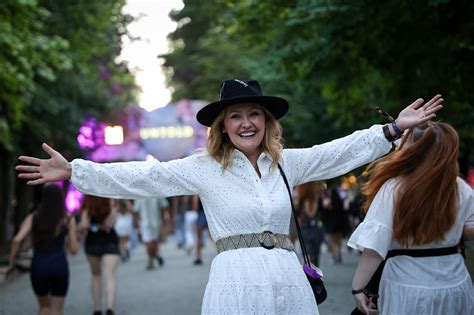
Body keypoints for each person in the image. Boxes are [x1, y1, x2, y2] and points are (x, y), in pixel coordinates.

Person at [16, 79, 443, 314]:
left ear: (266, 120)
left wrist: (391, 130)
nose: (245, 123)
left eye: (254, 114)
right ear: (222, 125)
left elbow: (336, 153)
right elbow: (144, 177)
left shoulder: (287, 163)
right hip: (235, 283)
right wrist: (75, 170)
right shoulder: (202, 167)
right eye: (235, 116)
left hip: (288, 281)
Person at [348, 122, 474, 314]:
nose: (397, 143)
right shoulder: (459, 187)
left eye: (404, 139)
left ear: (415, 150)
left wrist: (358, 288)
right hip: (455, 283)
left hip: (407, 285)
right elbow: (468, 230)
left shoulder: (395, 188)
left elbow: (375, 247)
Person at [6, 184, 79, 315]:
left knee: (44, 307)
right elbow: (74, 250)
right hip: (59, 264)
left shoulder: (34, 217)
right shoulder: (68, 219)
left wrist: (12, 264)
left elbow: (17, 240)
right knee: (57, 309)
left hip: (39, 265)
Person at [79, 195, 120, 315]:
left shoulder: (88, 199)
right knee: (110, 275)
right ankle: (110, 308)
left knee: (96, 275)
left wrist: (77, 228)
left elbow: (85, 224)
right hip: (110, 241)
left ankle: (97, 309)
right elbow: (109, 224)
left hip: (92, 242)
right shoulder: (110, 198)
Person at [133, 197, 169, 269]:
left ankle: (151, 260)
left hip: (145, 222)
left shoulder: (139, 195)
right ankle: (154, 256)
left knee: (149, 242)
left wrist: (136, 222)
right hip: (156, 221)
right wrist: (165, 216)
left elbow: (136, 210)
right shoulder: (156, 192)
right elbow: (165, 206)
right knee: (154, 241)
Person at [295, 181, 324, 266]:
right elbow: (316, 213)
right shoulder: (317, 198)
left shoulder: (302, 199)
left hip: (305, 228)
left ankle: (311, 273)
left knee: (308, 252)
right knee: (315, 252)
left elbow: (304, 213)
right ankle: (315, 272)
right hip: (316, 227)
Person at [319, 185, 347, 264]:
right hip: (339, 223)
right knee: (338, 241)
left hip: (331, 224)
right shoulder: (339, 201)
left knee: (332, 241)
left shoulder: (327, 202)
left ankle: (334, 256)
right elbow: (344, 212)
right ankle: (338, 255)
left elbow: (323, 214)